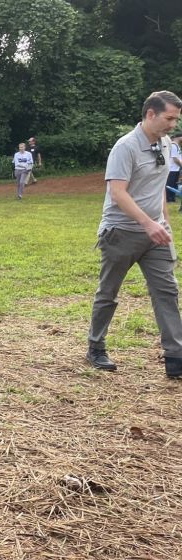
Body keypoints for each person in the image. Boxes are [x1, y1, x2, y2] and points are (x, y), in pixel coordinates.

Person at [86, 90, 182, 379]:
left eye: (176, 120)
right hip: (121, 233)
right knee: (108, 293)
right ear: (150, 114)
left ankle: (176, 357)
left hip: (155, 235)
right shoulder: (125, 147)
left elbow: (159, 190)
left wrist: (165, 225)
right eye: (169, 118)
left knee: (167, 291)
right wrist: (147, 224)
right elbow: (118, 194)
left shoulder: (165, 144)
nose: (173, 125)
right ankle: (96, 346)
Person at [166, 133, 181, 204]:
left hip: (176, 168)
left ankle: (172, 198)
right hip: (171, 169)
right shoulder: (173, 145)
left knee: (174, 184)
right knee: (170, 184)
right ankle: (169, 199)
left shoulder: (177, 145)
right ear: (179, 137)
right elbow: (175, 159)